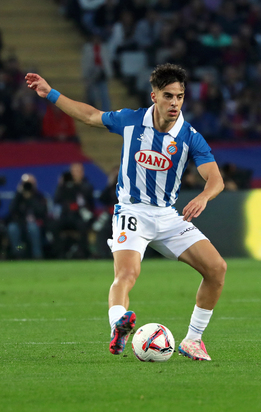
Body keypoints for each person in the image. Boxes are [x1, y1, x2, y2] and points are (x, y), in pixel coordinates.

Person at [25, 63, 226, 360]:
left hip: (168, 216)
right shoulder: (131, 121)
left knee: (217, 268)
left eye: (180, 97)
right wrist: (50, 93)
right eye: (168, 96)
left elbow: (216, 179)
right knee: (127, 273)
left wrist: (204, 197)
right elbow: (90, 115)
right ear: (154, 96)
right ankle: (117, 326)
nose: (175, 103)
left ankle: (192, 340)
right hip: (132, 211)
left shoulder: (189, 136)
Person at [53, 163, 95, 259]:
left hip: (80, 216)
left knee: (83, 226)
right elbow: (57, 199)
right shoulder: (64, 185)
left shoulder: (86, 185)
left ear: (82, 173)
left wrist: (76, 184)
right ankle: (59, 253)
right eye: (74, 172)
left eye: (78, 171)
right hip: (66, 216)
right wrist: (61, 185)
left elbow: (88, 198)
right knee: (53, 226)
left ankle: (83, 253)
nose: (76, 174)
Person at [7, 174, 47, 259]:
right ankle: (18, 253)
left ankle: (37, 255)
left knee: (32, 228)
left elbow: (42, 211)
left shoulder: (38, 196)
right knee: (12, 228)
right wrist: (19, 193)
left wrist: (31, 198)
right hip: (20, 223)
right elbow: (11, 210)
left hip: (35, 223)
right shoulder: (18, 196)